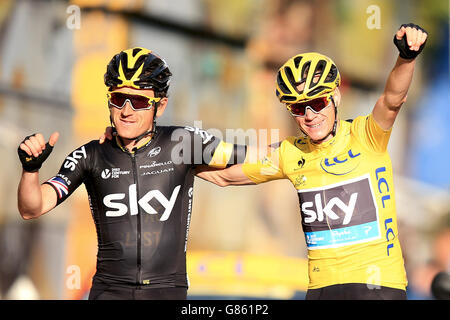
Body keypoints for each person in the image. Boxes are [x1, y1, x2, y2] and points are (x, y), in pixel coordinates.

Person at [195, 23, 428, 299]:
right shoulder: (291, 154)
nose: (309, 115)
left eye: (317, 103)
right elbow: (224, 176)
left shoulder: (367, 135)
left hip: (377, 287)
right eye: (297, 107)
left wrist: (407, 57)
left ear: (335, 97)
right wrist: (175, 160)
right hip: (321, 290)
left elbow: (392, 99)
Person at [17, 47, 247, 300]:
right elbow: (32, 208)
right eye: (118, 99)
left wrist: (291, 155)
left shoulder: (181, 143)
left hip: (166, 291)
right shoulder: (91, 155)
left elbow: (241, 166)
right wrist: (30, 170)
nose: (126, 111)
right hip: (109, 291)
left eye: (138, 101)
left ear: (159, 107)